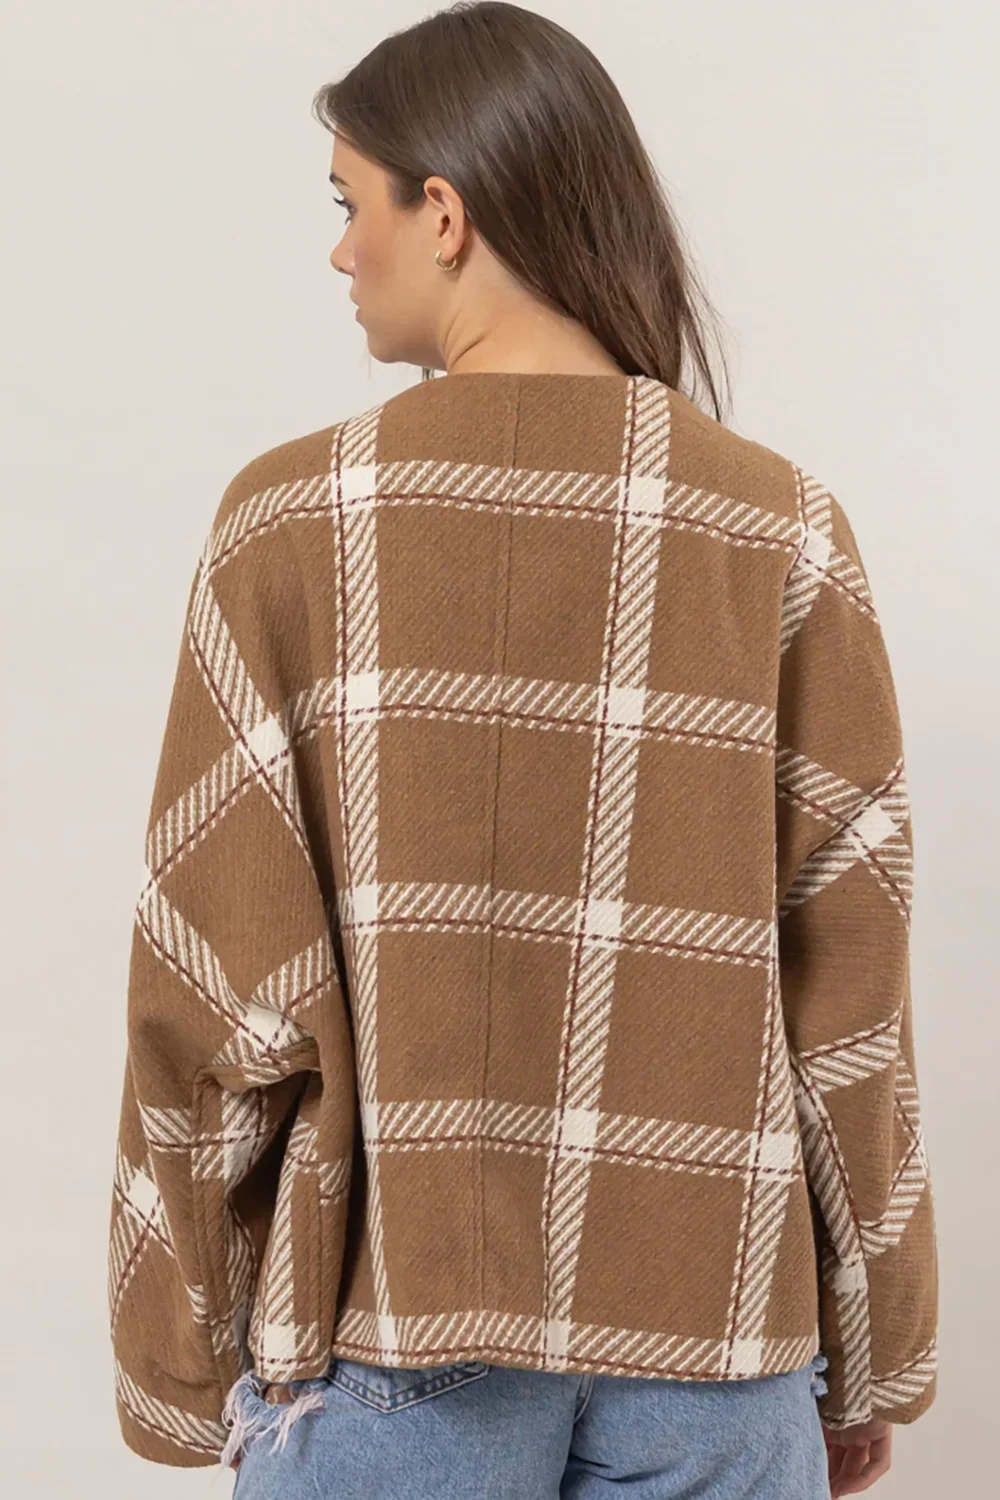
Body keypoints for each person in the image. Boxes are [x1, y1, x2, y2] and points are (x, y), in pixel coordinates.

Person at [105, 5, 938, 1497]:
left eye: (350, 204)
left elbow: (217, 993)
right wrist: (870, 1344)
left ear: (445, 211)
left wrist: (182, 1347)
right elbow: (851, 1004)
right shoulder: (780, 531)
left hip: (395, 1327)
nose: (340, 252)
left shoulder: (292, 527)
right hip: (719, 1335)